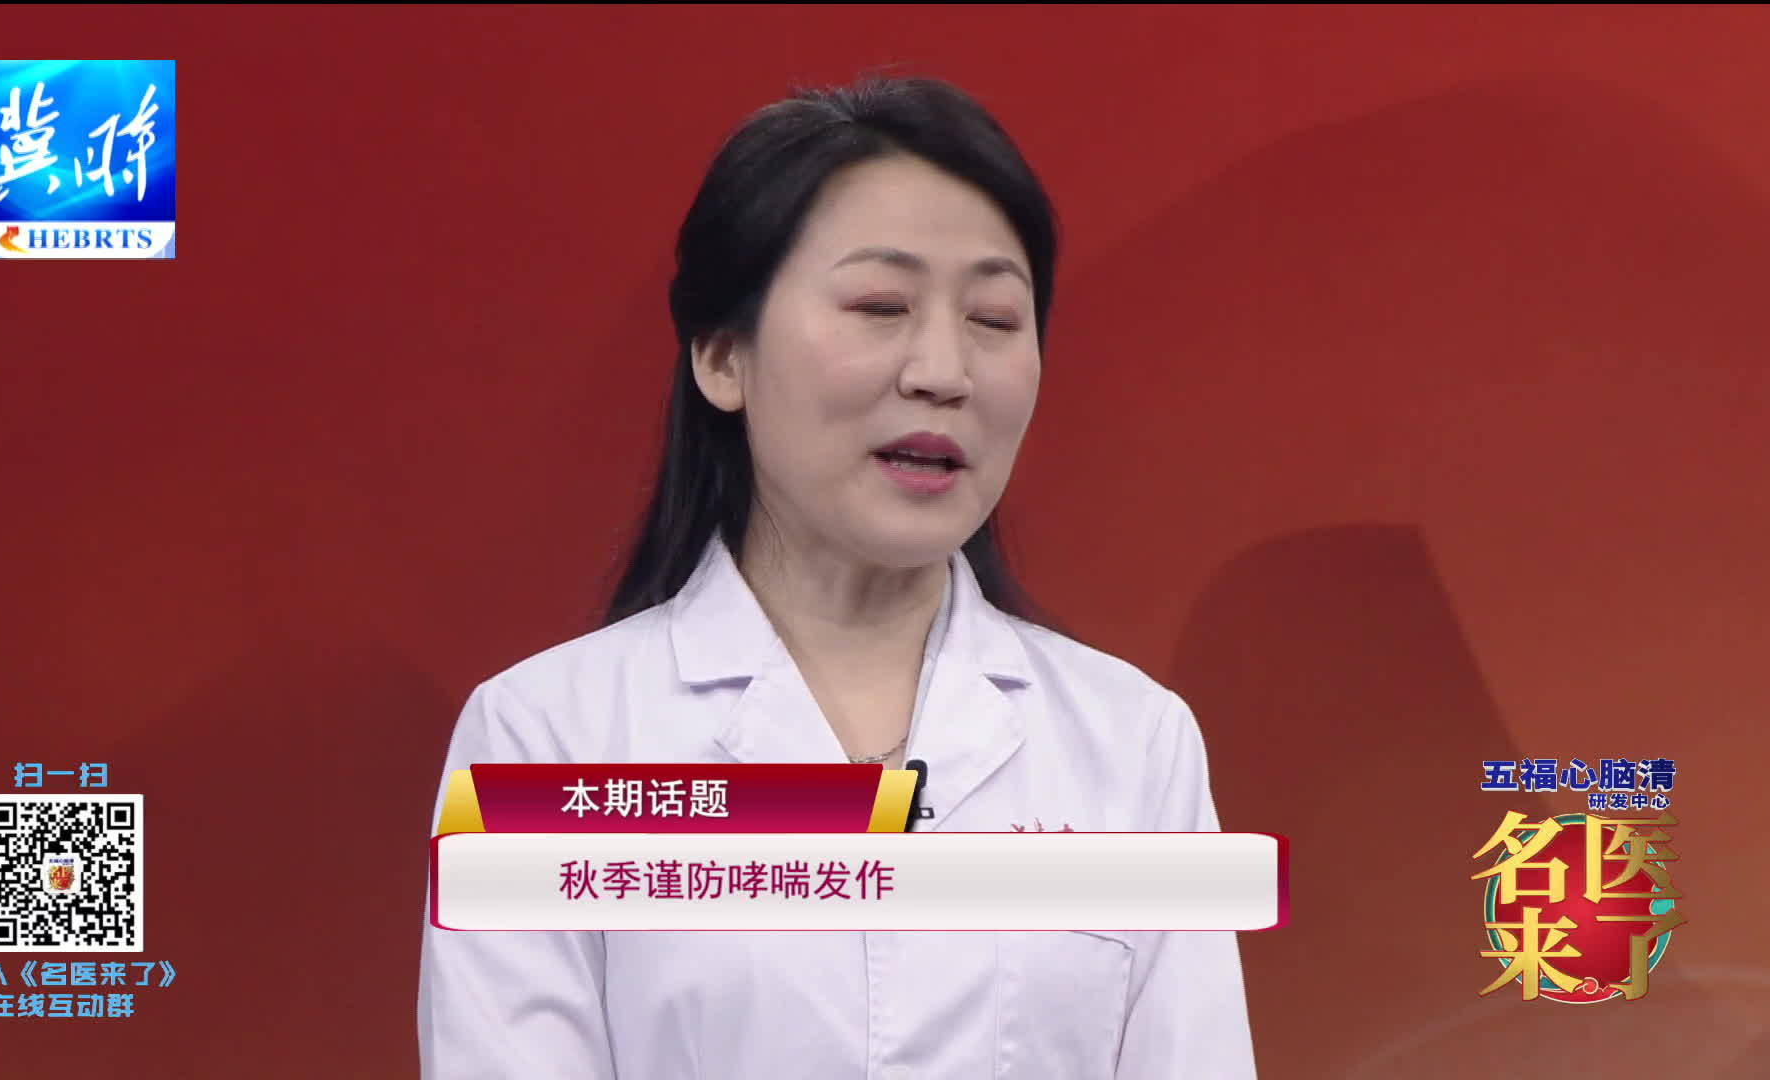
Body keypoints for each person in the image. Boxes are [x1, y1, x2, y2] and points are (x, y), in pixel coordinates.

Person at [418, 74, 1256, 1079]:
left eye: (995, 318)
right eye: (880, 306)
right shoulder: (543, 742)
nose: (943, 370)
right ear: (722, 355)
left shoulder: (1133, 745)